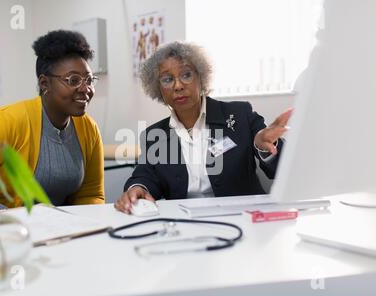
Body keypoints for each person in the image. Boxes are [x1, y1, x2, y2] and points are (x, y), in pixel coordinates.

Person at [115, 41, 292, 214]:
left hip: (243, 217)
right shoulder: (155, 135)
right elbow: (145, 176)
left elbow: (281, 169)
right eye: (167, 79)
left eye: (186, 75)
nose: (177, 86)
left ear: (201, 77)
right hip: (184, 221)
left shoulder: (239, 115)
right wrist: (138, 187)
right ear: (158, 88)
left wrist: (264, 146)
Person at [0, 30, 104, 208]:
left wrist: (84, 225)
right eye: (73, 80)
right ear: (45, 84)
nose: (85, 89)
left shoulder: (89, 129)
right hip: (8, 230)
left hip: (60, 231)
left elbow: (92, 193)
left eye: (89, 80)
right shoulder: (7, 121)